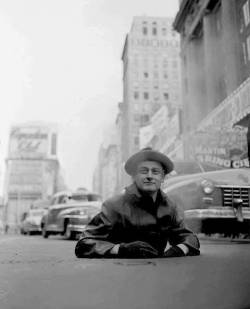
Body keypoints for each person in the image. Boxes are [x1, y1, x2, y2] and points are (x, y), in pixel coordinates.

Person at [75, 147, 200, 258]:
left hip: (159, 274)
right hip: (120, 274)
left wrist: (180, 249)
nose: (149, 176)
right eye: (144, 171)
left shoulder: (170, 206)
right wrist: (120, 249)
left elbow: (189, 238)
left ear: (162, 178)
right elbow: (84, 243)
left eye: (155, 172)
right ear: (134, 176)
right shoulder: (114, 205)